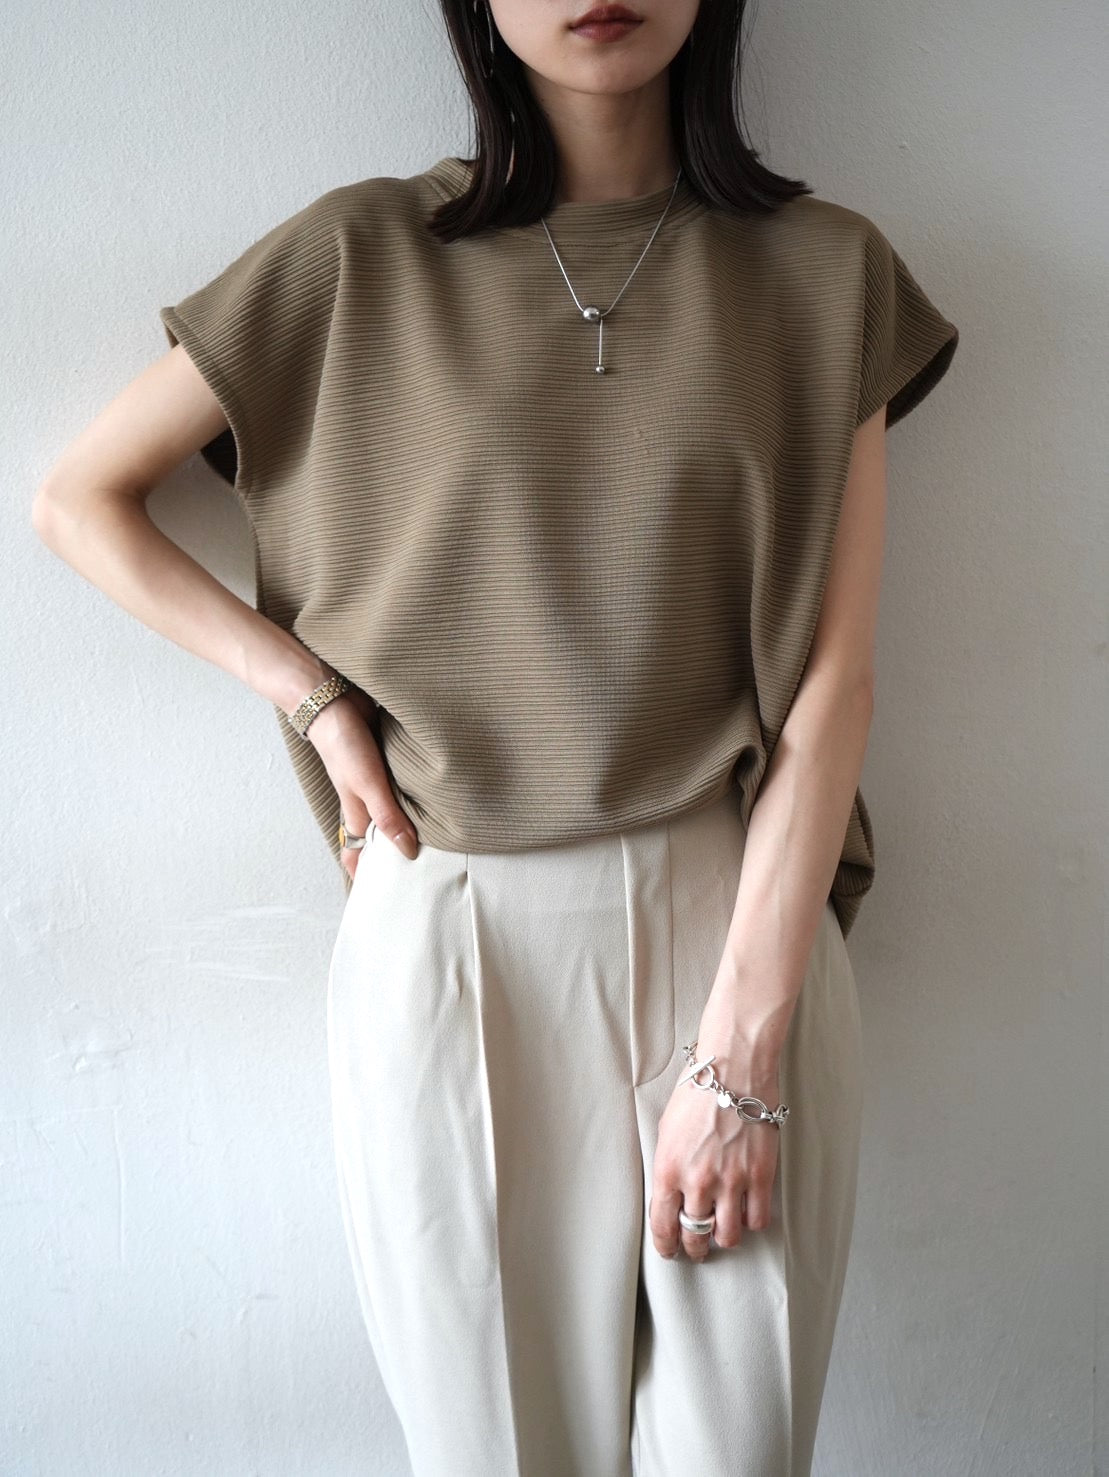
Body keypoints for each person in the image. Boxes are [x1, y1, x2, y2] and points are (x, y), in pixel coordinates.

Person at [31, 1, 959, 1472]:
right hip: (451, 929)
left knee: (741, 1453)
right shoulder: (355, 257)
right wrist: (312, 698)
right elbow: (80, 499)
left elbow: (834, 685)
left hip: (740, 913)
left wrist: (739, 1056)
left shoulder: (826, 270)